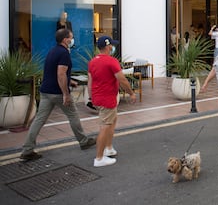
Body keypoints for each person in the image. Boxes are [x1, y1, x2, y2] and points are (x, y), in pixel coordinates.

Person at [20, 28, 96, 160]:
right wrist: (66, 94)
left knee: (39, 120)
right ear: (66, 39)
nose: (73, 40)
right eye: (71, 38)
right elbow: (60, 74)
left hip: (46, 91)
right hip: (58, 93)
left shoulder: (52, 51)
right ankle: (84, 141)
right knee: (73, 116)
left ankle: (27, 149)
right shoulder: (64, 54)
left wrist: (70, 81)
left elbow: (54, 72)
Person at [88, 36, 137, 167]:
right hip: (107, 98)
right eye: (112, 46)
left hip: (98, 97)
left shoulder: (93, 61)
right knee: (105, 126)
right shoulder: (111, 61)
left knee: (112, 121)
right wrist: (131, 93)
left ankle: (108, 148)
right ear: (108, 46)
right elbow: (122, 80)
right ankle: (99, 158)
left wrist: (90, 97)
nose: (113, 48)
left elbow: (90, 81)